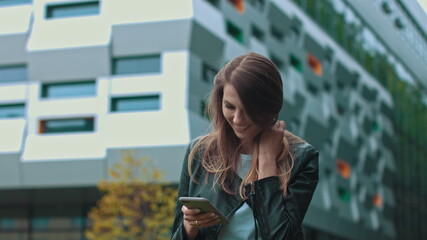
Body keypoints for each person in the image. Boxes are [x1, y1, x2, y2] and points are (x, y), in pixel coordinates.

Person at [171, 52, 319, 240]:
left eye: (249, 109)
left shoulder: (302, 158)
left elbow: (280, 237)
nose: (238, 119)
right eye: (230, 106)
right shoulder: (199, 152)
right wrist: (189, 227)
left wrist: (267, 161)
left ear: (270, 106)